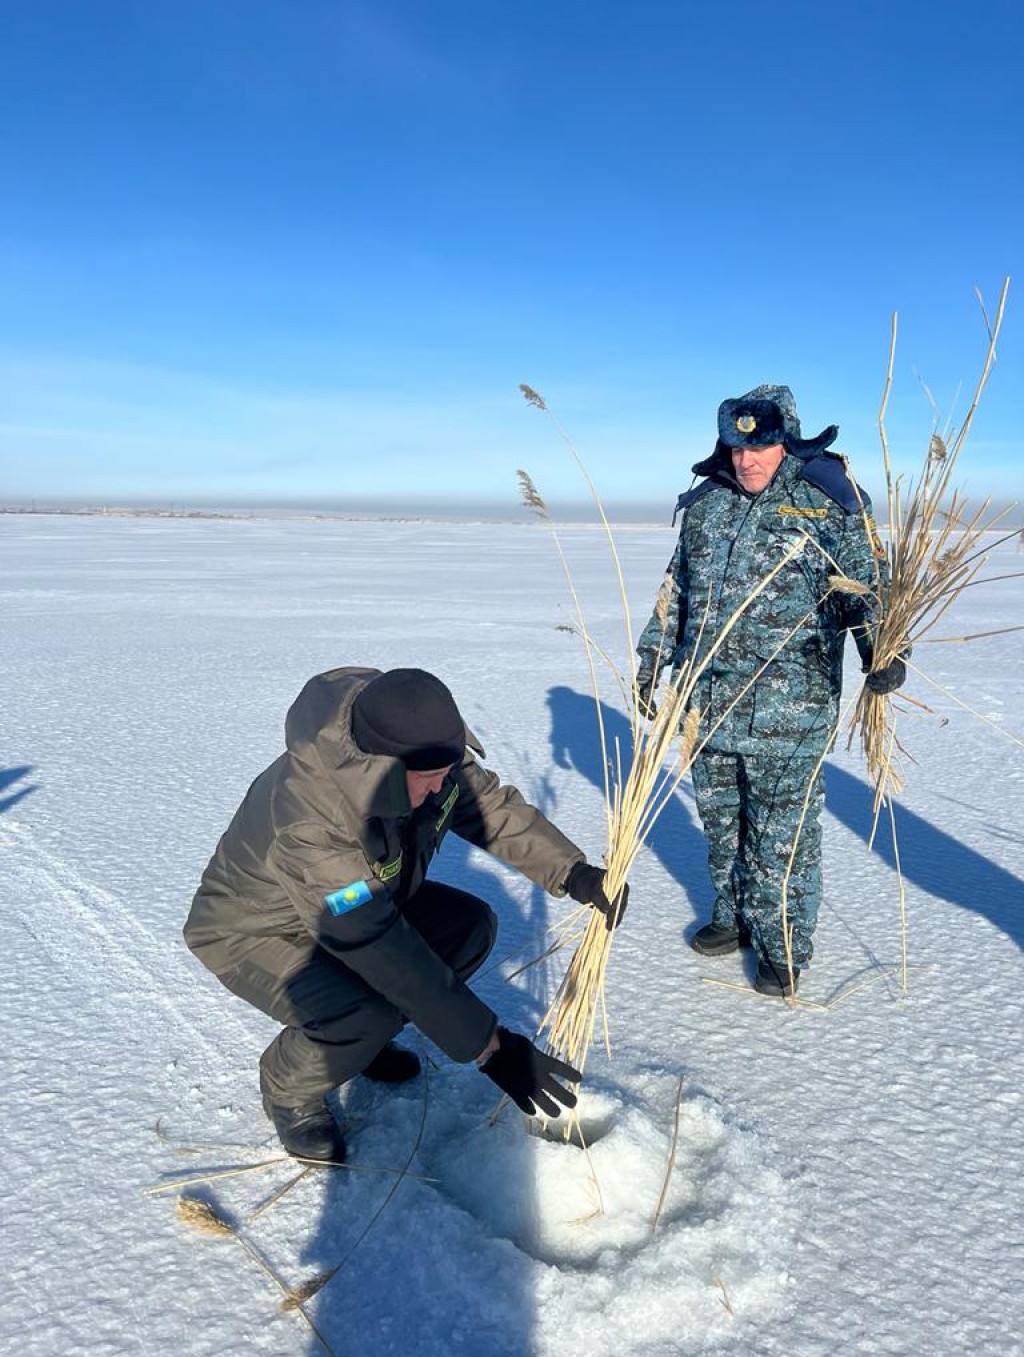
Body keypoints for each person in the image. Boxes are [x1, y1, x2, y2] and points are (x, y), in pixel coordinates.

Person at [184, 665, 626, 1162]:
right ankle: (290, 1091)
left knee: (469, 929)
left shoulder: (417, 743)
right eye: (427, 780)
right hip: (254, 928)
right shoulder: (312, 821)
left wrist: (573, 873)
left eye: (445, 774)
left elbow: (486, 804)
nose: (440, 790)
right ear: (381, 767)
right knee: (362, 1009)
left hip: (360, 908)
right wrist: (491, 1048)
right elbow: (376, 945)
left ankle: (364, 1044)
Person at [635, 384, 905, 997]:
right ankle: (732, 918)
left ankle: (784, 946)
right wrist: (651, 664)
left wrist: (883, 652)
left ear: (784, 442)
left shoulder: (826, 503)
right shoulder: (707, 508)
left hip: (793, 713)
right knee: (722, 824)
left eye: (760, 448)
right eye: (736, 449)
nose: (746, 461)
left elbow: (866, 588)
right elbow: (675, 594)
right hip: (709, 707)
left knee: (783, 838)